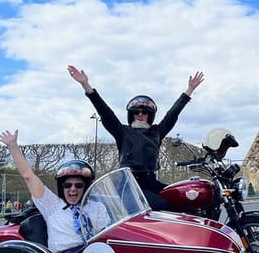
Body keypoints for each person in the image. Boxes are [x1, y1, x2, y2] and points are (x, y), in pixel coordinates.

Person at [68, 65, 204, 210]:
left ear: (149, 115)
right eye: (136, 111)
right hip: (129, 185)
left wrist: (189, 90)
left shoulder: (156, 132)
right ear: (131, 114)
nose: (140, 114)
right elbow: (105, 113)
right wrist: (86, 85)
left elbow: (172, 115)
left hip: (151, 182)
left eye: (144, 112)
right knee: (161, 205)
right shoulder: (122, 132)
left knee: (184, 198)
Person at [0, 130, 109, 253]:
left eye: (78, 185)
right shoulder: (52, 205)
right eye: (67, 185)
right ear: (62, 188)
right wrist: (13, 146)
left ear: (86, 187)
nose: (73, 189)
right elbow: (29, 176)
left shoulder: (98, 207)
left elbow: (107, 238)